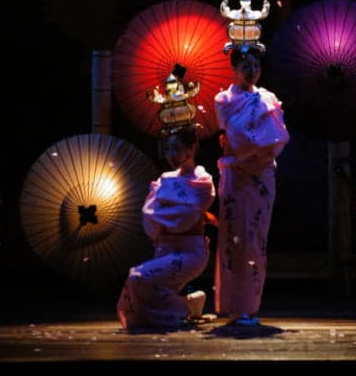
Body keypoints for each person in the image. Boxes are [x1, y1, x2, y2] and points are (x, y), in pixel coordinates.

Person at [214, 46, 289, 326]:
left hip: (261, 175)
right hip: (236, 173)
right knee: (234, 237)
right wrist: (254, 147)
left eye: (256, 65)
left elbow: (277, 138)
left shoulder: (269, 98)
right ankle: (233, 306)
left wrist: (261, 151)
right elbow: (237, 135)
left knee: (255, 237)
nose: (251, 71)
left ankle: (249, 306)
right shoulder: (224, 99)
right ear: (234, 68)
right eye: (245, 65)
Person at [117, 123, 215, 331]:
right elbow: (148, 213)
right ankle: (191, 302)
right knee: (143, 295)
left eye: (177, 148)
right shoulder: (165, 179)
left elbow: (187, 214)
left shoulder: (202, 180)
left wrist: (165, 214)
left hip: (190, 252)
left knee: (138, 277)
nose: (170, 154)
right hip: (165, 248)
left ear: (192, 149)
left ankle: (184, 308)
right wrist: (173, 213)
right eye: (168, 148)